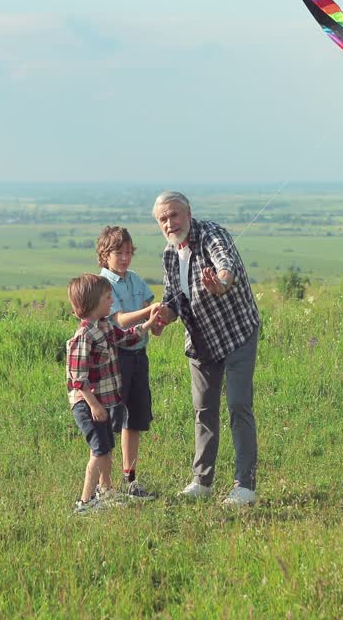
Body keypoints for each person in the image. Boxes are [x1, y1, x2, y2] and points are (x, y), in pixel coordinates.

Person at [151, 191, 261, 507]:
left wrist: (222, 284)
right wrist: (163, 317)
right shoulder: (169, 255)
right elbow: (174, 299)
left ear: (188, 213)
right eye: (163, 219)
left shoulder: (212, 233)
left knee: (239, 405)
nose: (170, 223)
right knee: (203, 409)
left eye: (174, 215)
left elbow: (226, 265)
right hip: (201, 339)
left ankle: (245, 487)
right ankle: (202, 481)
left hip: (237, 332)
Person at [65, 273, 159, 515]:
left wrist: (147, 325)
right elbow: (78, 379)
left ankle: (105, 494)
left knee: (107, 447)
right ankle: (85, 504)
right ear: (94, 302)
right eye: (108, 298)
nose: (111, 301)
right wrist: (94, 406)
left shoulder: (105, 326)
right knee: (99, 450)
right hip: (88, 405)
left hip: (102, 403)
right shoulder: (83, 336)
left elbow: (125, 339)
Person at [95, 226, 159, 501]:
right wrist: (151, 313)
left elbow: (149, 309)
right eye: (118, 253)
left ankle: (130, 480)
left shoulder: (134, 279)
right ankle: (104, 486)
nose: (124, 258)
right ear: (104, 255)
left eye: (129, 252)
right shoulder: (102, 286)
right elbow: (120, 320)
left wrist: (158, 323)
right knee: (111, 421)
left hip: (138, 356)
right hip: (115, 359)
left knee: (134, 419)